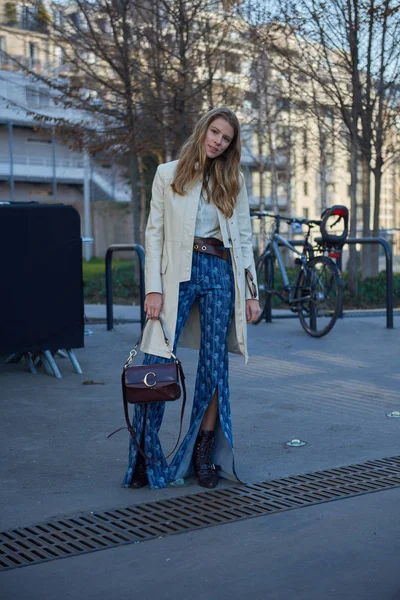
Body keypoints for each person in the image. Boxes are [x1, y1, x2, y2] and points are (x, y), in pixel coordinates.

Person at [122, 106, 260, 490]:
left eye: (226, 138)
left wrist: (251, 293)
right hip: (176, 275)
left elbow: (244, 238)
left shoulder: (234, 179)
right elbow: (154, 233)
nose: (218, 141)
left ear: (232, 145)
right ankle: (144, 456)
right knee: (156, 359)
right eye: (214, 132)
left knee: (215, 366)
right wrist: (152, 289)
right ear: (203, 130)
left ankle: (203, 454)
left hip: (219, 272)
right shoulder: (168, 174)